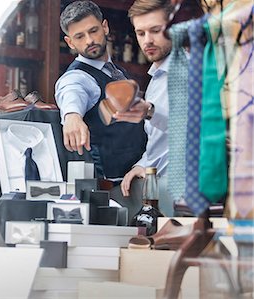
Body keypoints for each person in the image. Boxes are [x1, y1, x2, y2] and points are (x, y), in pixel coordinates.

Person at [55, 0, 147, 181]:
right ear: (70, 42)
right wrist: (72, 116)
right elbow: (70, 89)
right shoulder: (77, 77)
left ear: (105, 27)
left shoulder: (118, 72)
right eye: (79, 36)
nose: (89, 41)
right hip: (110, 186)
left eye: (93, 31)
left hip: (139, 174)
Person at [115, 0, 175, 205]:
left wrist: (150, 111)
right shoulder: (157, 79)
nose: (147, 40)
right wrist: (142, 165)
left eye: (155, 31)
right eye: (141, 33)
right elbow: (160, 142)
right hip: (159, 190)